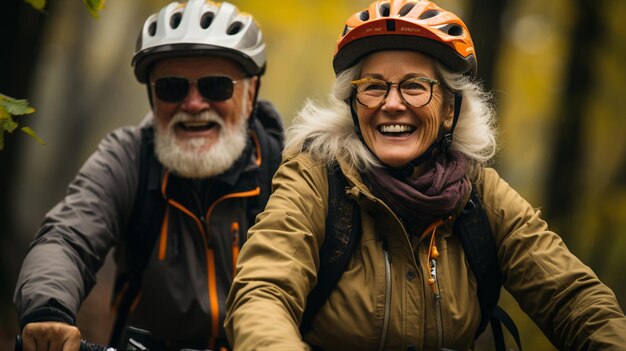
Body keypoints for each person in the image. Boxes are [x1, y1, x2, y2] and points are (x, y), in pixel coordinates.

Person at [224, 0, 626, 350]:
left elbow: (572, 299)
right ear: (352, 103)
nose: (392, 104)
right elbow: (263, 292)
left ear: (450, 108)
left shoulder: (480, 193)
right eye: (374, 86)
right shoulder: (315, 178)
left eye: (415, 86)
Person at [13, 1, 283, 350]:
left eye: (216, 86)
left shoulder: (284, 168)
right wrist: (49, 311)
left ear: (249, 96)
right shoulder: (129, 157)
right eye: (172, 87)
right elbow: (67, 236)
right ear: (153, 97)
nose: (194, 103)